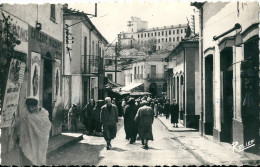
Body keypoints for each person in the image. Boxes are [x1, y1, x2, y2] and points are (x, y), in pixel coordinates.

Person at [18, 97, 52, 166]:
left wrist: (34, 120)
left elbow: (47, 125)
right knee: (29, 155)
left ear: (36, 106)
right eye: (29, 107)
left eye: (32, 107)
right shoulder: (25, 112)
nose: (31, 109)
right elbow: (21, 124)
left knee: (39, 155)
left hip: (39, 140)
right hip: (28, 138)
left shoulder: (43, 113)